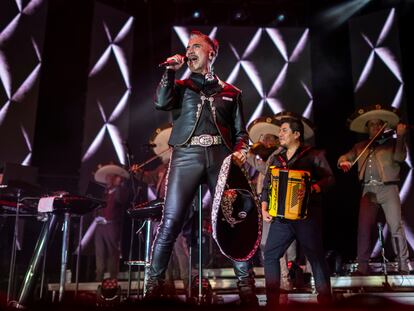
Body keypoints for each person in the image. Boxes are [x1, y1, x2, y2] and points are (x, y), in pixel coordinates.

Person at [146, 30, 257, 305]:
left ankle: (246, 288)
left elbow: (241, 133)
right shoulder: (182, 86)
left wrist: (241, 150)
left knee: (231, 221)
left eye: (196, 46)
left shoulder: (232, 92)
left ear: (211, 52)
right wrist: (171, 72)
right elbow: (161, 102)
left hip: (221, 157)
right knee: (170, 222)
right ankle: (153, 287)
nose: (190, 50)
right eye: (187, 46)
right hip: (186, 155)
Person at [260, 117, 334, 307]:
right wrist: (264, 206)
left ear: (296, 134)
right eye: (280, 131)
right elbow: (268, 185)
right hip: (282, 218)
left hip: (306, 217)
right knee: (270, 255)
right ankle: (272, 302)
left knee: (316, 256)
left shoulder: (313, 155)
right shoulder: (277, 158)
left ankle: (326, 301)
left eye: (284, 130)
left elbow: (329, 179)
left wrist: (314, 187)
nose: (280, 134)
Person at [337, 104, 411, 275]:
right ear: (367, 128)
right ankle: (362, 267)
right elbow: (344, 157)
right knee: (364, 228)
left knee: (396, 227)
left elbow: (400, 158)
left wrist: (400, 137)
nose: (376, 127)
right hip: (368, 190)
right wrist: (343, 162)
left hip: (388, 188)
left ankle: (403, 265)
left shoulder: (392, 142)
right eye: (372, 124)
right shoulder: (360, 146)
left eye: (379, 124)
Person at [94, 164, 130, 281]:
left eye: (110, 177)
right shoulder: (104, 192)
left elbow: (121, 201)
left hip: (112, 225)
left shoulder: (120, 191)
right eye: (107, 177)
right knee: (99, 252)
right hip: (100, 226)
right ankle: (99, 276)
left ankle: (113, 277)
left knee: (112, 251)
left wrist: (119, 185)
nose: (107, 179)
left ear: (115, 178)